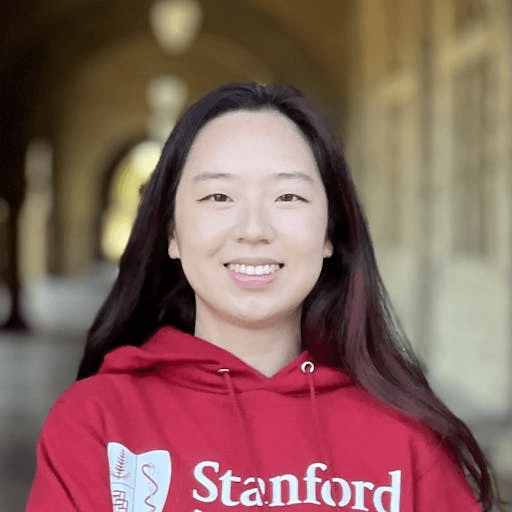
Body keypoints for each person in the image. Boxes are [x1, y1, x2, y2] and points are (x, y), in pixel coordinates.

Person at [27, 83, 502, 512]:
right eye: (218, 197)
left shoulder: (407, 438)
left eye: (288, 197)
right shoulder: (99, 424)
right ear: (172, 232)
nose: (253, 229)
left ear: (329, 233)